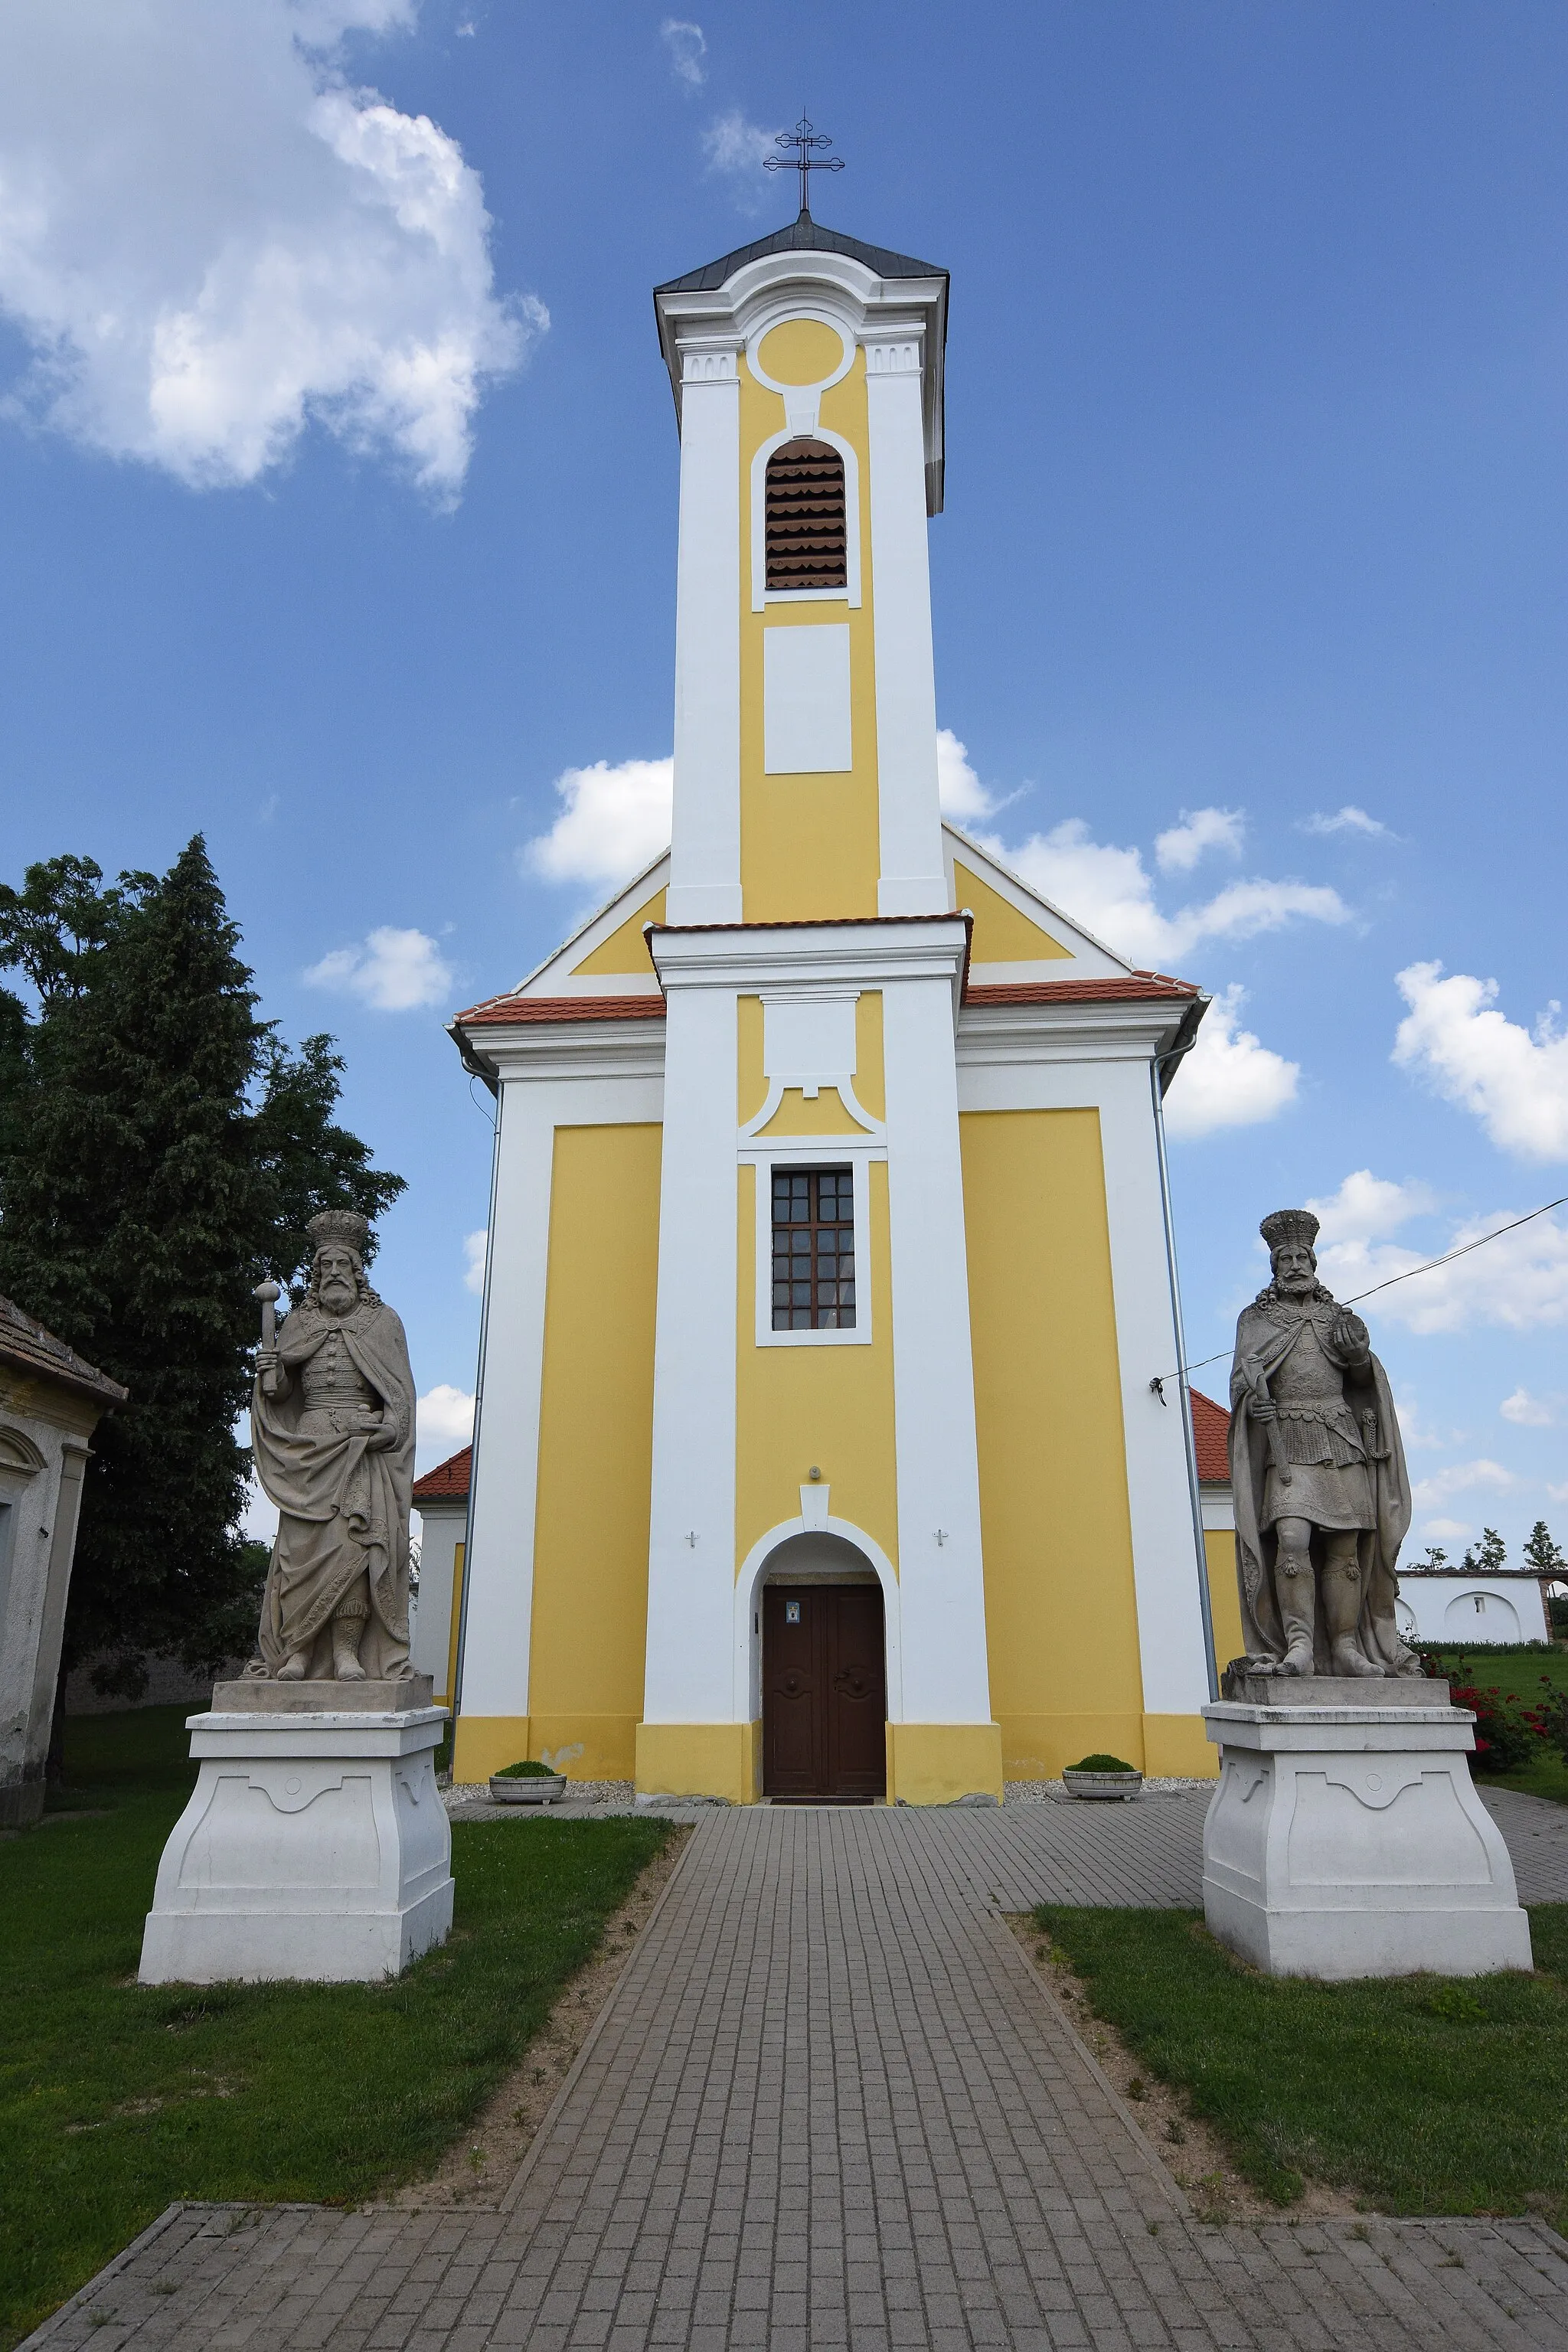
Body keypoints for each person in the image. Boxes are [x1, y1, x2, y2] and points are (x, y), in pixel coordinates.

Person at [1227, 1207, 1417, 1679]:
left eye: (1302, 1256)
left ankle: (1348, 1646)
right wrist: (1254, 1404)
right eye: (1285, 1257)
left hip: (1340, 1437)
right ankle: (1299, 1646)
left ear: (1314, 1260)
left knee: (1345, 1546)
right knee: (1291, 1538)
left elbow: (1361, 1380)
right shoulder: (1256, 1319)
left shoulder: (1338, 1317)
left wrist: (1358, 1358)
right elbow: (1241, 1383)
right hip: (1286, 1441)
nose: (1295, 1264)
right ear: (1274, 1265)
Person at [246, 1210, 416, 1681]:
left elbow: (399, 1399)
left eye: (344, 1263)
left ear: (359, 1272)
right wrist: (269, 1374)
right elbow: (281, 1394)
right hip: (308, 1451)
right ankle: (297, 1653)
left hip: (357, 1451)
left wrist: (386, 1428)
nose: (334, 1272)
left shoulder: (383, 1323)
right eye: (325, 1265)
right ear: (315, 1276)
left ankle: (347, 1654)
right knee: (299, 1555)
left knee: (353, 1550)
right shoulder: (298, 1323)